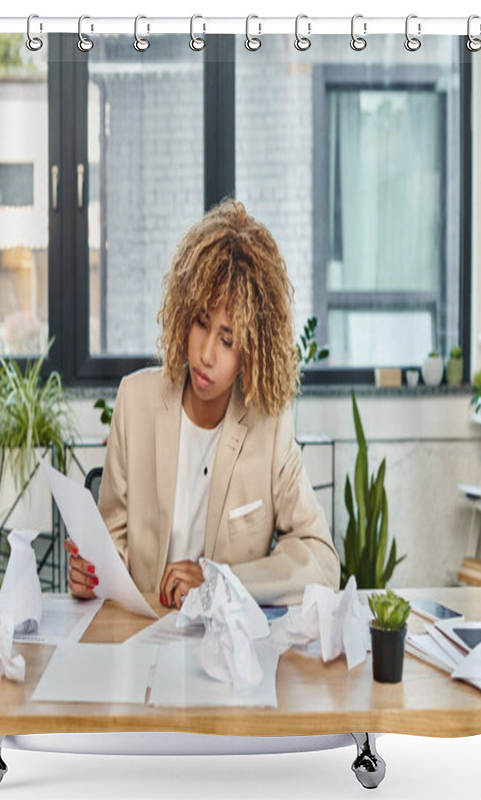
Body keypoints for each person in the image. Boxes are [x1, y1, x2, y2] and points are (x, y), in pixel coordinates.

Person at [65, 199, 340, 609]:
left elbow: (321, 563)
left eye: (228, 340)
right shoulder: (135, 402)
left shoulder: (270, 426)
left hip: (224, 653)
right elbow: (112, 550)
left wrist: (219, 581)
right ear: (183, 315)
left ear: (251, 350)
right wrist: (89, 574)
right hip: (142, 642)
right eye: (200, 323)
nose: (206, 353)